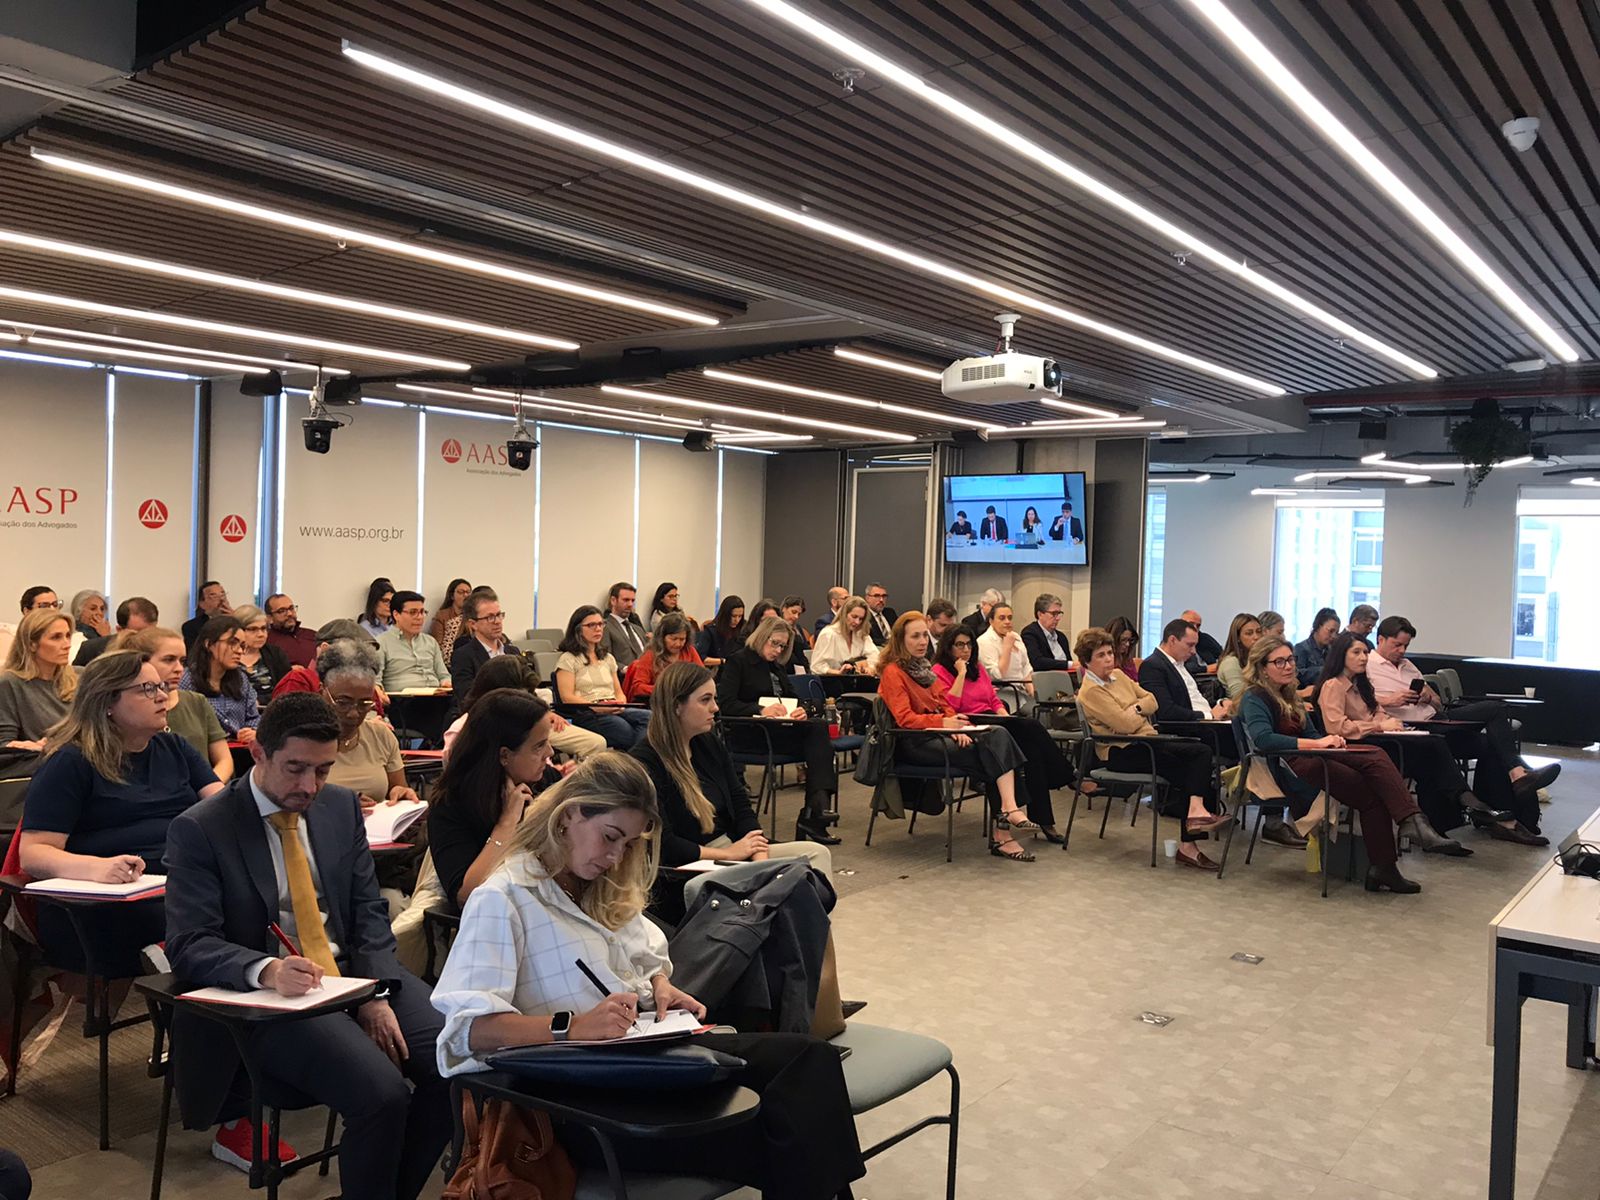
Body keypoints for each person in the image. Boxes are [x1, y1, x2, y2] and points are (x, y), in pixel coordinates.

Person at [429, 752, 866, 1199]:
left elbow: (646, 953)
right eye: (610, 837)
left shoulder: (593, 883)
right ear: (568, 816)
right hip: (567, 1096)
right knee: (785, 1127)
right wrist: (574, 1027)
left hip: (635, 1058)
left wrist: (660, 986)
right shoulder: (503, 898)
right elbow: (468, 1032)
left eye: (627, 844)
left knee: (809, 1060)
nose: (615, 856)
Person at [162, 693, 450, 1200]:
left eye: (323, 770)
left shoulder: (337, 807)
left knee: (458, 1064)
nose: (309, 786)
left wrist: (377, 991)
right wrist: (266, 969)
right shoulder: (202, 827)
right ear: (259, 754)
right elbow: (189, 943)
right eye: (295, 769)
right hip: (271, 997)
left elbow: (367, 912)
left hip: (354, 972)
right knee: (381, 1095)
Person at [19, 650, 222, 974]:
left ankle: (185, 967)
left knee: (245, 899)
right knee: (191, 917)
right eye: (147, 689)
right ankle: (177, 965)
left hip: (178, 881)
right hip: (103, 895)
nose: (163, 696)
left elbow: (223, 810)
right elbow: (33, 853)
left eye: (162, 687)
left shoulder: (175, 748)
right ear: (107, 703)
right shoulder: (71, 762)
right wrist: (97, 868)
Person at [1240, 635, 1434, 894]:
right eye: (1279, 662)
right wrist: (1317, 744)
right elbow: (1264, 740)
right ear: (1262, 667)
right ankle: (1397, 846)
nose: (1288, 666)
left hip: (1310, 757)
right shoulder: (1255, 697)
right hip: (1286, 768)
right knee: (1371, 791)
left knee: (1374, 754)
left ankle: (1406, 829)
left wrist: (1329, 743)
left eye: (1290, 660)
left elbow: (1311, 734)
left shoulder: (1289, 695)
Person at [1367, 615, 1557, 839]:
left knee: (1492, 740)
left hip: (1438, 718)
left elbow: (1438, 701)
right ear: (1381, 639)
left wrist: (1428, 697)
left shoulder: (1408, 665)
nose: (1402, 651)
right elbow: (1360, 702)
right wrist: (1390, 700)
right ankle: (1516, 776)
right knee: (1493, 715)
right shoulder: (1368, 666)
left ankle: (1506, 816)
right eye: (1397, 645)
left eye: (1406, 646)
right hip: (1416, 728)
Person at [1313, 632, 1507, 849]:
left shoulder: (1361, 684)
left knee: (1429, 762)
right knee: (1432, 746)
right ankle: (1464, 801)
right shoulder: (1333, 686)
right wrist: (1379, 726)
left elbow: (1377, 712)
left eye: (1366, 652)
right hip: (1355, 747)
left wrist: (1389, 722)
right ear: (1341, 655)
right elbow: (1337, 727)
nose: (1363, 657)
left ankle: (1439, 827)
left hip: (1380, 740)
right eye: (1356, 652)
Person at [634, 661, 831, 871]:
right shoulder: (645, 762)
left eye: (714, 698)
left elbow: (741, 805)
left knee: (816, 854)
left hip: (735, 847)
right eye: (705, 700)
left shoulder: (708, 743)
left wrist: (759, 858)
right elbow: (664, 844)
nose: (715, 707)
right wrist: (729, 854)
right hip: (693, 863)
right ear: (676, 706)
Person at [876, 613, 1039, 861]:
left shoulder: (923, 668)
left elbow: (946, 705)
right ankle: (1004, 829)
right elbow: (905, 719)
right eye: (915, 636)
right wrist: (945, 724)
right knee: (993, 755)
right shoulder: (893, 672)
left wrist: (955, 727)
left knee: (998, 736)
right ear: (900, 640)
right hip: (913, 742)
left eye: (924, 635)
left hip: (939, 735)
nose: (922, 641)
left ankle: (1008, 813)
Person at [1075, 627, 1228, 870]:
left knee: (1200, 751)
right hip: (1120, 751)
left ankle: (1195, 814)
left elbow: (1152, 699)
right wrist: (1138, 710)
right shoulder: (1090, 691)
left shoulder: (1119, 676)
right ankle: (1190, 840)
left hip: (1146, 740)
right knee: (1190, 769)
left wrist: (1133, 710)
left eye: (1109, 653)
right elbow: (1124, 725)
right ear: (1086, 662)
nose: (1109, 659)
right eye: (1101, 655)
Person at [932, 624, 1080, 843]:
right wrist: (961, 674)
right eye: (959, 645)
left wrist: (1004, 715)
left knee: (1033, 752)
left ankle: (1044, 820)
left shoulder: (977, 668)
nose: (966, 650)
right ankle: (1069, 776)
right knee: (1032, 726)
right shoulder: (939, 671)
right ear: (948, 647)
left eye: (969, 644)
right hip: (969, 722)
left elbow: (993, 699)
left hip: (993, 718)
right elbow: (949, 706)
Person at [429, 689, 559, 909]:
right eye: (539, 746)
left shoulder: (546, 780)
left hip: (551, 902)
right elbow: (467, 894)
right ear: (504, 755)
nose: (550, 752)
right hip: (497, 916)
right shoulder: (451, 803)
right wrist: (506, 824)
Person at [715, 616, 839, 844]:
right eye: (775, 643)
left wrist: (802, 710)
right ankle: (814, 815)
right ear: (762, 637)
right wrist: (761, 709)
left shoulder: (776, 666)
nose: (778, 650)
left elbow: (793, 698)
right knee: (819, 737)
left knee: (817, 729)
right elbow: (725, 704)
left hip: (779, 730)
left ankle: (816, 809)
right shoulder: (738, 661)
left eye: (783, 646)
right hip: (751, 732)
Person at [442, 653, 604, 764]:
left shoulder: (523, 723)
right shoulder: (461, 733)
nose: (550, 752)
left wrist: (558, 776)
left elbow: (541, 768)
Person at [121, 626, 233, 784]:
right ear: (142, 662)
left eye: (182, 661)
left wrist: (206, 787)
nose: (179, 669)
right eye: (168, 660)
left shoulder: (197, 701)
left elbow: (224, 760)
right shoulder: (131, 707)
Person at [319, 639, 419, 815]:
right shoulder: (300, 741)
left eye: (364, 703)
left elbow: (398, 789)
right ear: (322, 691)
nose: (353, 713)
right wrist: (342, 803)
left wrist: (401, 794)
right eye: (343, 702)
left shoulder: (381, 736)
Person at [554, 605, 650, 749]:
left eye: (600, 624)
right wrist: (596, 707)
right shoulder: (568, 659)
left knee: (650, 717)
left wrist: (620, 703)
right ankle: (638, 758)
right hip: (587, 712)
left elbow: (618, 691)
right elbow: (567, 697)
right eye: (591, 625)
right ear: (578, 629)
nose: (598, 629)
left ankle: (635, 758)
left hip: (613, 708)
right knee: (625, 729)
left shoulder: (608, 658)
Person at [0, 608, 77, 777]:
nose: (67, 644)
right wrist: (31, 746)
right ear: (32, 644)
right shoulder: (10, 684)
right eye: (56, 637)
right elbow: (4, 745)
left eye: (68, 636)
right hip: (46, 769)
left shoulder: (80, 677)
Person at [271, 619, 386, 715]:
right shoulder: (299, 680)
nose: (364, 659)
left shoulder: (364, 683)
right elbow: (289, 726)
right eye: (355, 653)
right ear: (325, 649)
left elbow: (379, 717)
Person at [180, 616, 260, 741]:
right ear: (209, 644)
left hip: (240, 747)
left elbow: (254, 717)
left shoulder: (241, 679)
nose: (239, 651)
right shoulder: (187, 680)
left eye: (242, 646)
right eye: (232, 643)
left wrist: (251, 731)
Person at [1139, 618, 1232, 722]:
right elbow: (1166, 711)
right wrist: (1209, 716)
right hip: (1188, 727)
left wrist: (1220, 704)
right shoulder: (1152, 666)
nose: (1194, 651)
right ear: (1172, 640)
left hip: (1203, 721)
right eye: (1190, 645)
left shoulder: (1180, 664)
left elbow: (1195, 700)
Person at [448, 587, 517, 716]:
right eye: (490, 617)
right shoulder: (463, 656)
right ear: (473, 624)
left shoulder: (513, 652)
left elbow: (527, 690)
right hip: (483, 717)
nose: (497, 622)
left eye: (499, 615)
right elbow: (467, 697)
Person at [621, 612, 703, 702]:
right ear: (662, 637)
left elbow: (702, 677)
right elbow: (638, 688)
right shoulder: (650, 655)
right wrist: (666, 690)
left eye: (682, 639)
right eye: (673, 639)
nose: (678, 644)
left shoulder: (689, 651)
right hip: (659, 703)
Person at [378, 591, 450, 693]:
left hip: (436, 696)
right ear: (396, 615)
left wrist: (446, 682)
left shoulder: (430, 642)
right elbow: (376, 682)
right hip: (401, 699)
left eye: (422, 612)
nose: (419, 617)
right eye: (413, 612)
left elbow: (443, 675)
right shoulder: (381, 643)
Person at [232, 603, 290, 708]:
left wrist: (259, 701)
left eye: (263, 628)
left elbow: (287, 690)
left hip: (271, 710)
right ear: (238, 631)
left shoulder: (275, 654)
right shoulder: (228, 656)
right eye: (253, 629)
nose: (261, 634)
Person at [75, 596, 160, 666]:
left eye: (151, 632)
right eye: (139, 632)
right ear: (119, 630)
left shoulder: (161, 650)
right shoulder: (91, 649)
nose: (147, 638)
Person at [976, 603, 1035, 698]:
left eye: (1010, 618)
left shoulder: (1015, 636)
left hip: (1021, 690)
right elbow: (997, 675)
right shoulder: (984, 641)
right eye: (1002, 618)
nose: (1007, 622)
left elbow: (1026, 668)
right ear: (991, 621)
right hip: (1001, 692)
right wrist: (1007, 648)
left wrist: (1033, 694)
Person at [811, 595, 875, 676]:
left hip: (857, 680)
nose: (857, 622)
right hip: (833, 679)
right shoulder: (828, 634)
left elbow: (875, 658)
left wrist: (869, 668)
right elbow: (816, 666)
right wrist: (839, 672)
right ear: (844, 614)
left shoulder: (861, 634)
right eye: (854, 617)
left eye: (861, 619)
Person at [600, 581, 648, 669]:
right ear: (613, 601)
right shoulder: (605, 627)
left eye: (632, 600)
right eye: (626, 600)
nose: (630, 604)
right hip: (624, 675)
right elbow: (604, 658)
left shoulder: (638, 629)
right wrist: (625, 669)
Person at [1021, 593, 1074, 671]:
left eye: (1059, 613)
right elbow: (1037, 662)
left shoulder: (1061, 637)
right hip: (1045, 677)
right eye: (1054, 614)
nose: (1057, 618)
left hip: (1067, 676)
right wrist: (1068, 665)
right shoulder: (1030, 633)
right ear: (1040, 614)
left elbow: (1069, 661)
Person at [264, 593, 316, 669]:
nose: (289, 614)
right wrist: (287, 669)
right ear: (270, 618)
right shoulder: (267, 642)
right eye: (282, 611)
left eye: (291, 608)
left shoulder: (312, 635)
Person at [1216, 613, 1261, 701]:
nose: (1256, 637)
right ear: (1238, 638)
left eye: (1259, 632)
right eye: (1249, 633)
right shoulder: (1231, 662)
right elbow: (1240, 698)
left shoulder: (1259, 658)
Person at [429, 578, 471, 668]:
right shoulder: (442, 615)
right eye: (461, 592)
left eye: (468, 592)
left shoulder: (473, 616)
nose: (465, 595)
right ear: (452, 596)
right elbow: (437, 644)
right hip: (447, 662)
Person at [1295, 607, 1340, 687]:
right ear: (1318, 626)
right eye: (1331, 631)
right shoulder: (1301, 648)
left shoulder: (1331, 651)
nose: (1334, 636)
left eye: (1336, 633)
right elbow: (1297, 674)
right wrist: (1324, 670)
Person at [695, 595, 745, 667]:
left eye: (740, 616)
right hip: (716, 668)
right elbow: (700, 658)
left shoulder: (743, 628)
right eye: (733, 616)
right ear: (725, 615)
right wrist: (723, 661)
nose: (737, 620)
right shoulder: (711, 630)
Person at [181, 580, 230, 647]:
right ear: (202, 604)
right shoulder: (191, 627)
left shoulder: (237, 619)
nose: (221, 599)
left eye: (223, 594)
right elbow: (195, 652)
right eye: (213, 595)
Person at [1106, 615, 1141, 680]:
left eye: (1129, 640)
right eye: (1123, 640)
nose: (1127, 644)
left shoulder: (1128, 662)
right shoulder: (1104, 662)